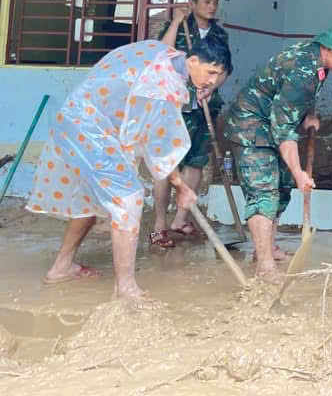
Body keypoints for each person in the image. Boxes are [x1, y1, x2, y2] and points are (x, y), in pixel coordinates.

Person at [26, 37, 231, 300]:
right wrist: (181, 187)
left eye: (218, 75)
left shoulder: (164, 53)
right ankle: (125, 288)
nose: (213, 81)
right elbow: (158, 146)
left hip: (79, 119)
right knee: (129, 198)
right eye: (210, 72)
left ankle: (61, 267)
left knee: (90, 200)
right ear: (192, 61)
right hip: (91, 129)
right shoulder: (163, 83)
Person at [223, 25, 332, 282]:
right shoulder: (303, 71)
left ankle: (267, 247)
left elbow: (299, 98)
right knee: (263, 192)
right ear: (329, 49)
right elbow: (284, 130)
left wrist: (310, 114)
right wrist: (299, 172)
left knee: (283, 186)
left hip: (271, 123)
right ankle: (265, 266)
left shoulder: (318, 62)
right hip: (250, 125)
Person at [151, 0, 231, 246]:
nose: (212, 6)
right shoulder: (178, 28)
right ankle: (159, 225)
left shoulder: (220, 35)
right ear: (192, 3)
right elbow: (161, 55)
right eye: (206, 1)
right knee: (168, 165)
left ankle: (180, 219)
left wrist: (212, 87)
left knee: (196, 161)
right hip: (176, 107)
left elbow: (226, 68)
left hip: (206, 107)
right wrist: (176, 22)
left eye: (215, 1)